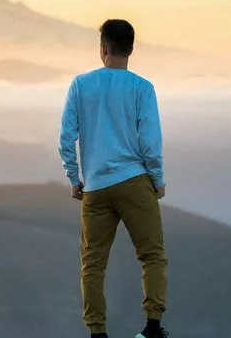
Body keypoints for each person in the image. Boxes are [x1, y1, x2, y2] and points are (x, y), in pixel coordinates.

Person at [59, 19, 169, 338]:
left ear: (103, 48)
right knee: (151, 255)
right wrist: (157, 179)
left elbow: (66, 138)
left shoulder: (81, 85)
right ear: (131, 49)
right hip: (135, 180)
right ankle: (152, 326)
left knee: (93, 264)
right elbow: (150, 142)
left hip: (94, 187)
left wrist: (74, 177)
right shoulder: (142, 88)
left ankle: (97, 332)